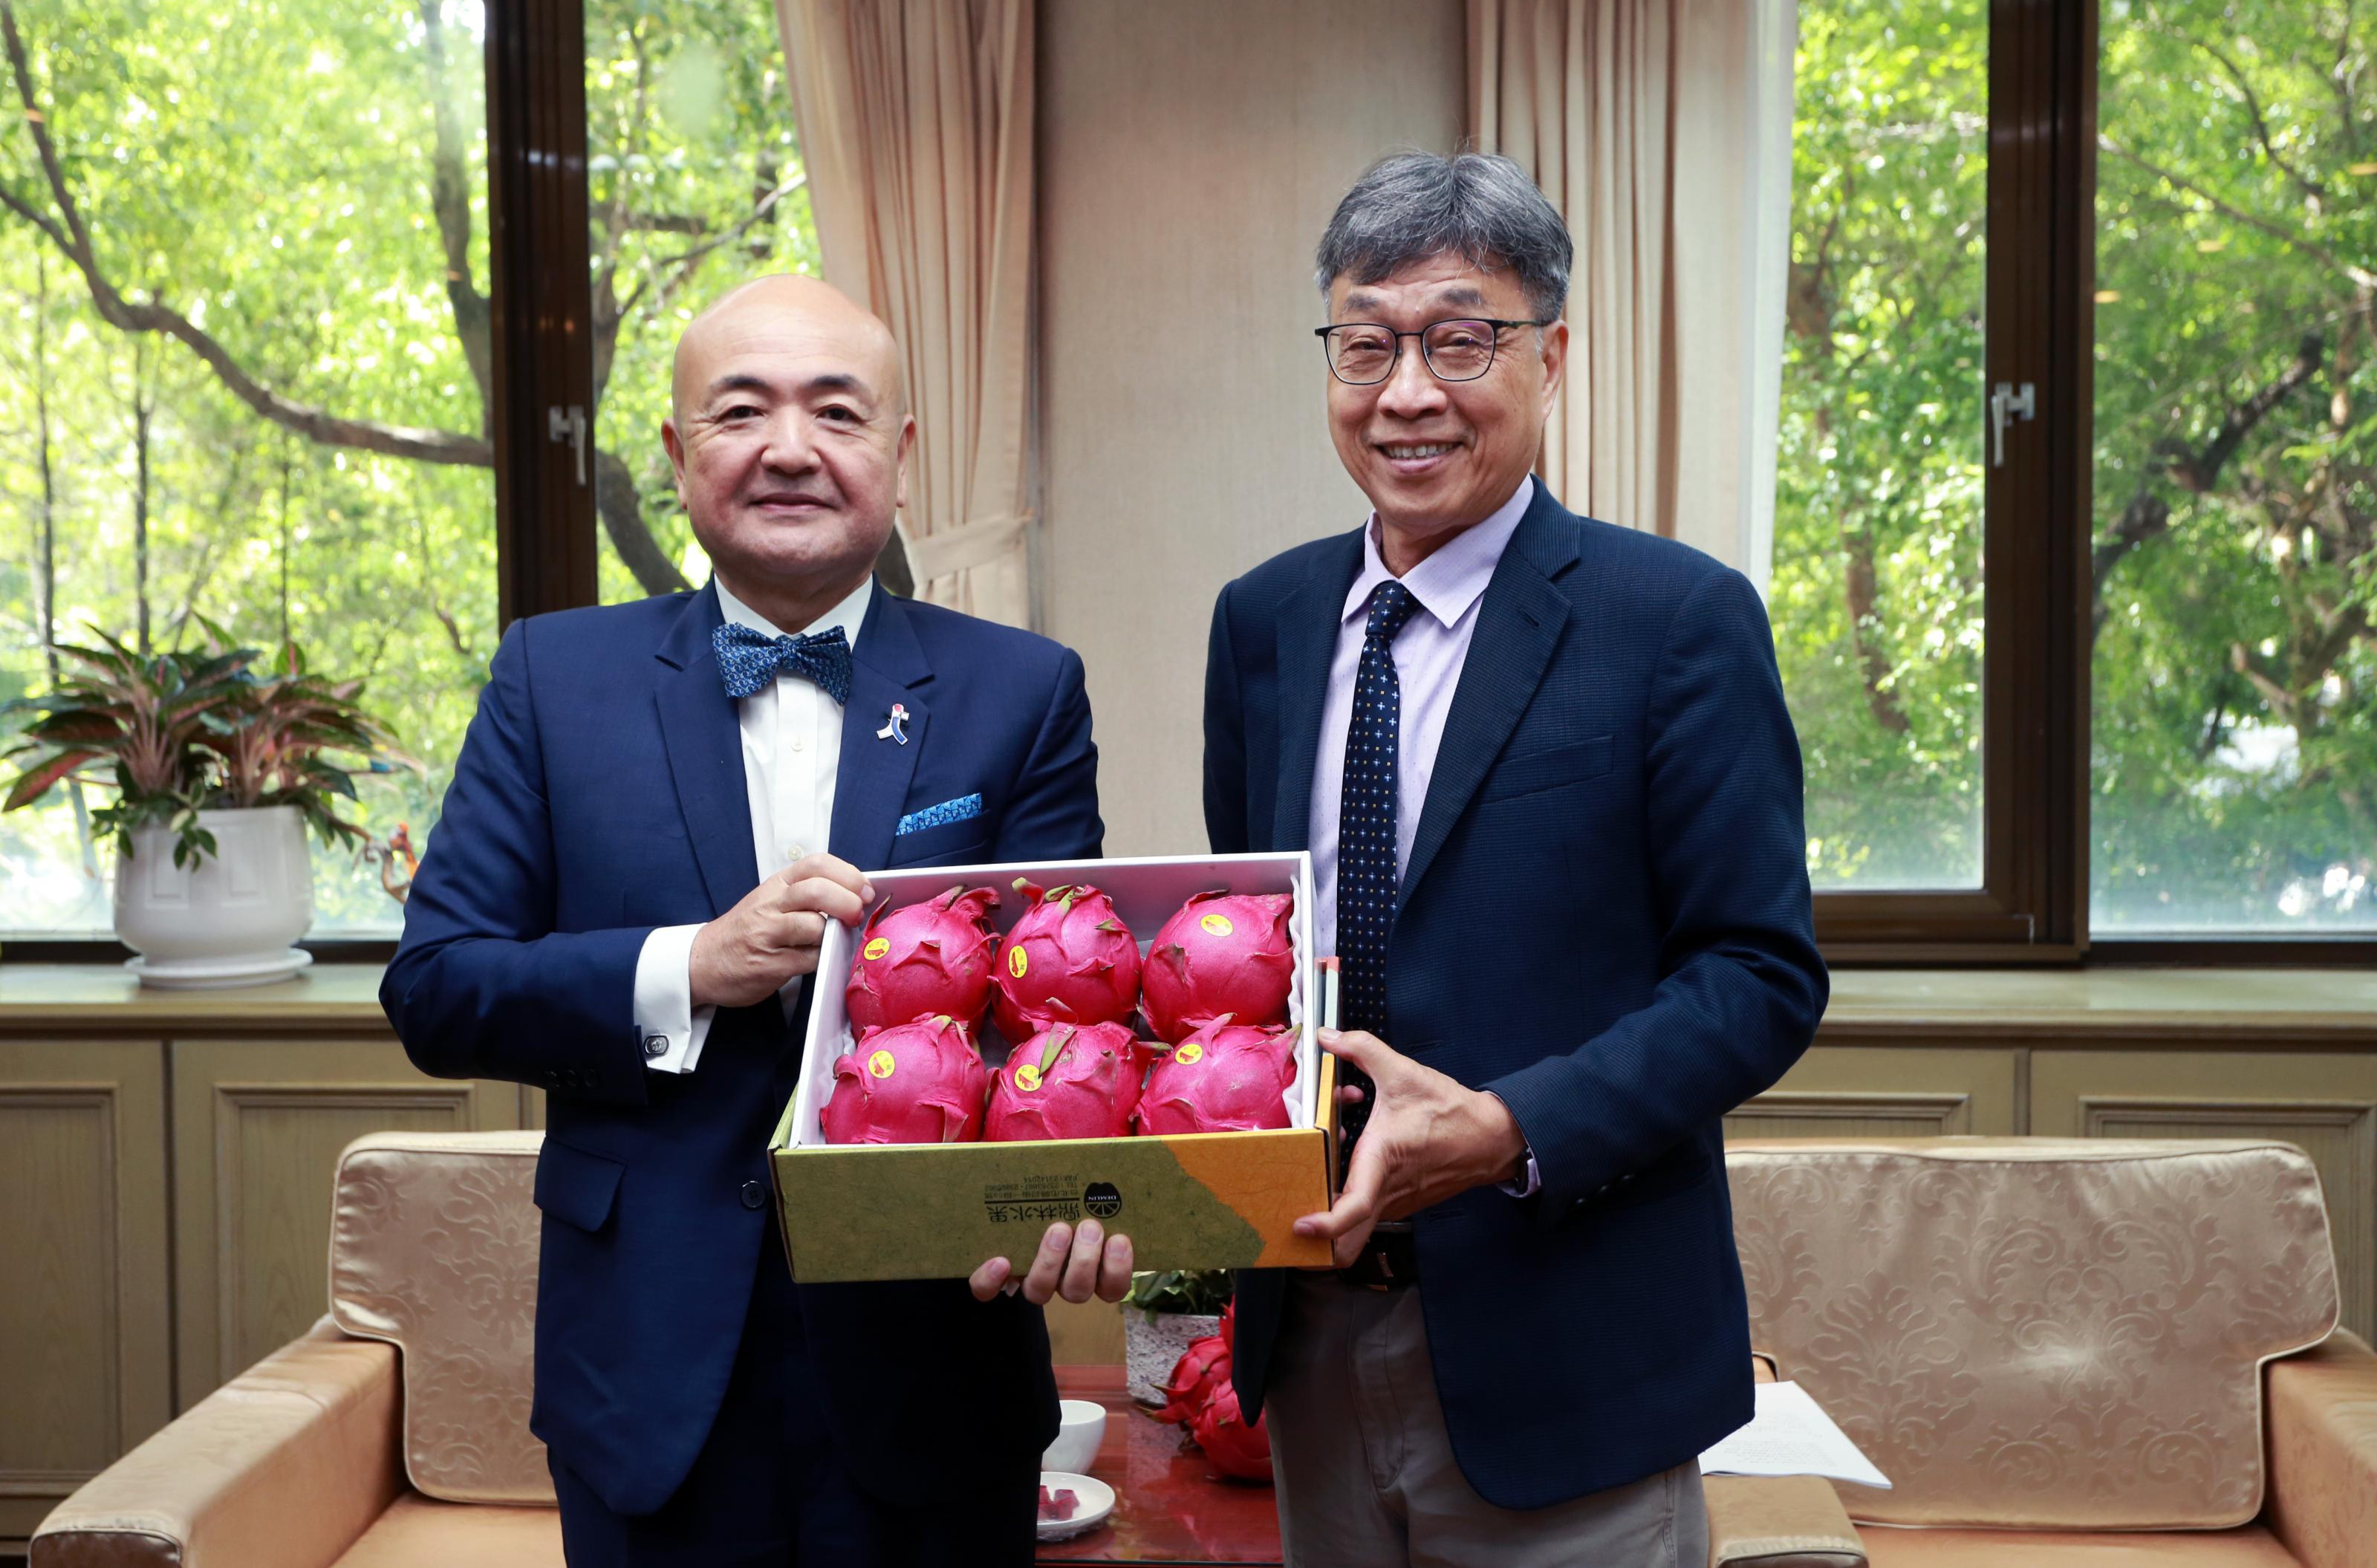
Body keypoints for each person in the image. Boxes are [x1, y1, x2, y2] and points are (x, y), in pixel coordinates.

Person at [383, 274, 1131, 1567]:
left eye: (836, 413)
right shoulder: (551, 678)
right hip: (646, 1378)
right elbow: (439, 986)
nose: (790, 448)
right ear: (679, 454)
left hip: (935, 1370)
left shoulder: (1023, 689)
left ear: (899, 457)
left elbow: (1060, 1024)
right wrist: (691, 965)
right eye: (742, 411)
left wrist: (1078, 1200)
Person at [1202, 152, 1828, 1566]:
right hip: (1307, 1330)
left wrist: (1509, 1129)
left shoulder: (1674, 618)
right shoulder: (1266, 621)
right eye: (1367, 344)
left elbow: (1758, 975)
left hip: (1571, 1344)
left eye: (1459, 339)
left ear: (1550, 356)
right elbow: (1250, 964)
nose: (1406, 391)